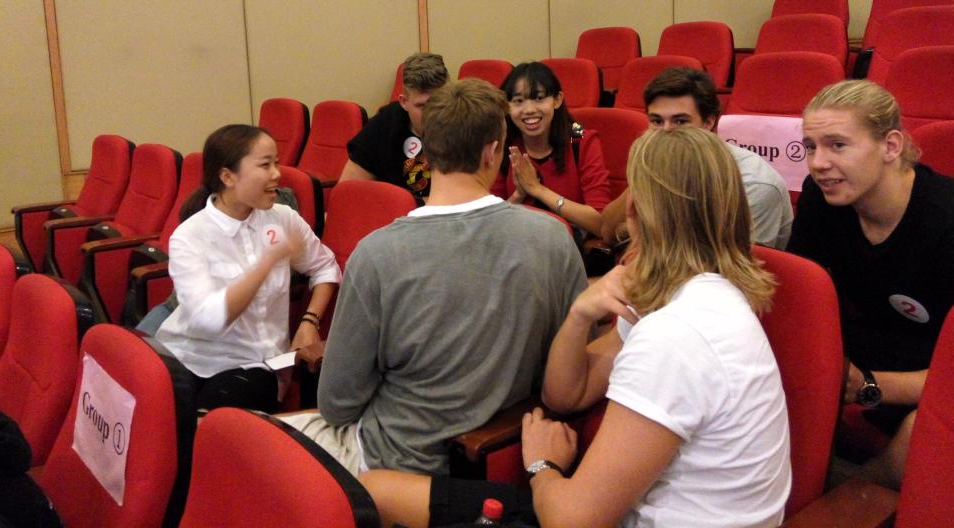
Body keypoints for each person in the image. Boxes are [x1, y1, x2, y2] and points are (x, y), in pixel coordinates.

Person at [361, 126, 791, 528]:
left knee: (376, 491)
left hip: (586, 514)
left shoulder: (675, 335)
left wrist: (542, 465)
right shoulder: (702, 294)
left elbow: (571, 520)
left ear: (635, 211)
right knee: (379, 490)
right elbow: (566, 395)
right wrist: (580, 315)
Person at [280, 79, 588, 476]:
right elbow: (566, 367)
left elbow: (337, 405)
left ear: (424, 151)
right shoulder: (554, 237)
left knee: (229, 437)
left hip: (386, 460)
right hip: (504, 455)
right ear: (493, 151)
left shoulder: (375, 254)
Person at [787, 80, 954, 489]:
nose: (818, 163)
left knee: (918, 432)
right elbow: (798, 299)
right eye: (810, 146)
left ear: (891, 146)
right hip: (876, 344)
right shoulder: (821, 198)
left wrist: (870, 386)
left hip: (939, 369)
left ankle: (852, 504)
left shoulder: (946, 222)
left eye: (837, 145)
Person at [155, 124, 340, 414]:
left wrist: (309, 321)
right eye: (265, 165)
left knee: (211, 424)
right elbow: (208, 320)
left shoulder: (283, 218)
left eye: (276, 162)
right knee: (158, 413)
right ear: (227, 177)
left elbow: (325, 267)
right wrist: (267, 262)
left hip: (256, 364)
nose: (277, 174)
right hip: (188, 354)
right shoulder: (190, 236)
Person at [601, 66, 792, 249]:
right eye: (657, 121)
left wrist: (636, 232)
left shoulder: (753, 182)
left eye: (680, 121)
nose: (665, 132)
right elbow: (608, 232)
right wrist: (643, 178)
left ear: (709, 122)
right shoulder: (658, 163)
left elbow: (731, 265)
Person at [492, 62, 611, 238]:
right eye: (518, 101)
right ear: (507, 107)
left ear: (557, 100)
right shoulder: (503, 144)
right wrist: (518, 195)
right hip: (517, 241)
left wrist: (538, 189)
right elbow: (491, 224)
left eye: (539, 98)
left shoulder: (581, 139)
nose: (529, 110)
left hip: (571, 243)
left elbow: (600, 223)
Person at [338, 52, 450, 202]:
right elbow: (347, 193)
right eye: (422, 106)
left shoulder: (467, 125)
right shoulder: (384, 125)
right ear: (404, 102)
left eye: (439, 102)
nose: (432, 112)